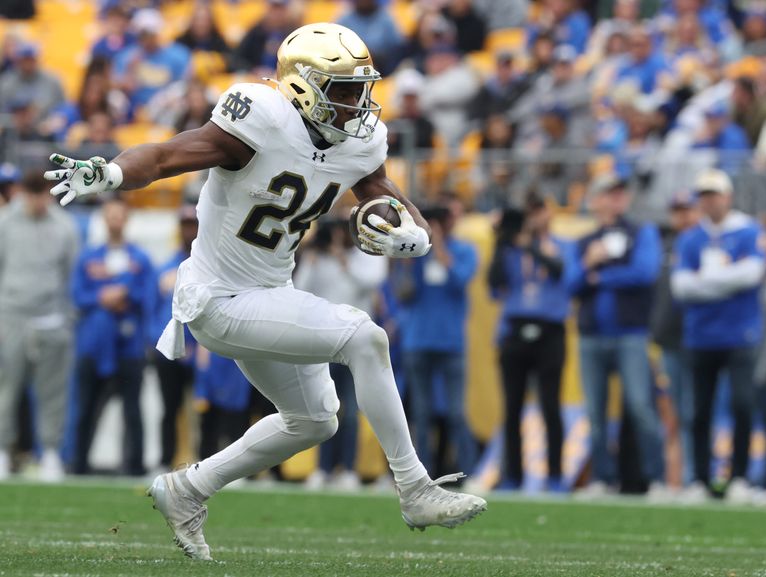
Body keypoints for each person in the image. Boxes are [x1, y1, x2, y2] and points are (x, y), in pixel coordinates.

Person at [45, 23, 486, 561]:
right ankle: (415, 489)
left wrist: (415, 230)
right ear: (302, 86)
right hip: (219, 300)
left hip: (271, 294)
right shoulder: (260, 117)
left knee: (316, 419)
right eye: (343, 90)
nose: (357, 103)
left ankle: (187, 489)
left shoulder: (360, 138)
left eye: (359, 89)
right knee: (364, 338)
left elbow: (378, 189)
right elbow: (165, 156)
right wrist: (111, 171)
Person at [565, 174, 665, 496]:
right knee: (595, 413)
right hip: (592, 335)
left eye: (620, 193)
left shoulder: (641, 232)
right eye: (609, 194)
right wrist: (588, 265)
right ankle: (602, 479)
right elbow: (570, 284)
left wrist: (600, 275)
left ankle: (657, 479)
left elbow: (645, 272)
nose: (616, 199)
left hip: (631, 333)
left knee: (640, 407)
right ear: (595, 200)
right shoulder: (584, 242)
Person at [671, 168, 766, 503]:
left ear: (728, 196)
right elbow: (680, 286)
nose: (709, 202)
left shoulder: (747, 230)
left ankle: (739, 476)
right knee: (698, 410)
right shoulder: (690, 237)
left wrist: (707, 281)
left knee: (742, 405)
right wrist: (725, 280)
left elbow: (752, 274)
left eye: (714, 195)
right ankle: (699, 478)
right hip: (700, 335)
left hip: (740, 333)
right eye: (704, 196)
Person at [294, 217, 388, 490]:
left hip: (354, 343)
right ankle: (322, 469)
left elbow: (371, 282)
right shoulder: (318, 258)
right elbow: (300, 290)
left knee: (350, 409)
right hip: (322, 342)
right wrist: (312, 257)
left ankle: (347, 469)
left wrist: (343, 259)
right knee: (323, 407)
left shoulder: (364, 255)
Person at [488, 193, 570, 491]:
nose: (534, 218)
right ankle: (513, 476)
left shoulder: (561, 245)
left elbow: (562, 272)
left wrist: (530, 247)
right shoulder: (511, 250)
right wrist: (501, 243)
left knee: (550, 405)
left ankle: (556, 476)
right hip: (515, 329)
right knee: (512, 407)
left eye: (539, 210)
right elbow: (493, 283)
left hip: (550, 331)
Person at [0, 172, 79, 481]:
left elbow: (70, 274)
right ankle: (4, 452)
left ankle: (50, 453)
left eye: (42, 193)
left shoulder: (65, 226)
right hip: (11, 316)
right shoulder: (5, 222)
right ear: (21, 192)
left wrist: (65, 317)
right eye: (32, 193)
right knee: (6, 388)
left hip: (52, 317)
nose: (37, 201)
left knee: (52, 391)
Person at [70, 197, 155, 476]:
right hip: (94, 345)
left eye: (120, 215)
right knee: (86, 407)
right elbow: (77, 296)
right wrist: (102, 297)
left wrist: (125, 295)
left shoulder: (140, 259)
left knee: (132, 409)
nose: (115, 221)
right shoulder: (89, 257)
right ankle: (78, 463)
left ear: (127, 219)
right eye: (110, 215)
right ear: (104, 219)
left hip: (129, 346)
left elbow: (149, 297)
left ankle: (135, 465)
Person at [396, 201, 478, 478]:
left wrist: (439, 247)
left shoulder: (465, 250)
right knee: (420, 414)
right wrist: (407, 263)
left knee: (456, 412)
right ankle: (423, 475)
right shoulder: (416, 254)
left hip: (451, 342)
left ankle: (469, 472)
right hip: (418, 341)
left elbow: (459, 280)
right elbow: (403, 294)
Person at [650, 190, 699, 487]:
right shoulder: (665, 246)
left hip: (700, 340)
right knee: (676, 413)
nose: (683, 216)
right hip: (670, 340)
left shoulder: (704, 242)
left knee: (697, 411)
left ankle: (697, 474)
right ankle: (677, 477)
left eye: (688, 210)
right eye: (678, 210)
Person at [150, 205, 199, 473]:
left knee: (202, 410)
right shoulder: (167, 267)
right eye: (185, 225)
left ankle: (204, 461)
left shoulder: (208, 268)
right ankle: (165, 459)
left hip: (201, 349)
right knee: (169, 409)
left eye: (193, 225)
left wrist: (199, 347)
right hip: (170, 351)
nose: (189, 231)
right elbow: (154, 309)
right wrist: (155, 343)